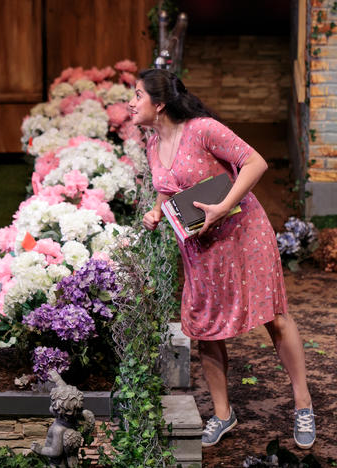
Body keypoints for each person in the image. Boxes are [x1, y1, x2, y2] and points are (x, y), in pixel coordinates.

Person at [129, 68, 315, 450]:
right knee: (204, 329)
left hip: (243, 234)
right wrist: (156, 211)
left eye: (136, 95)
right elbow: (168, 191)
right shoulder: (151, 145)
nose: (130, 103)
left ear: (159, 104)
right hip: (200, 247)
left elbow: (255, 163)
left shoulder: (203, 130)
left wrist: (222, 207)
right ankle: (222, 413)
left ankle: (303, 404)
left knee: (274, 317)